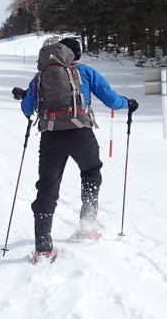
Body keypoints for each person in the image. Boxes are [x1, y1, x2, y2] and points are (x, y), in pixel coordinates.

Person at [13, 37, 137, 262]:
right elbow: (111, 101)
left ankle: (43, 246)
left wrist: (24, 96)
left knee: (47, 188)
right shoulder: (87, 73)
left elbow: (27, 109)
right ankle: (87, 224)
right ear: (76, 54)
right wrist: (128, 103)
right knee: (90, 171)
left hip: (50, 137)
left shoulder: (40, 76)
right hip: (81, 134)